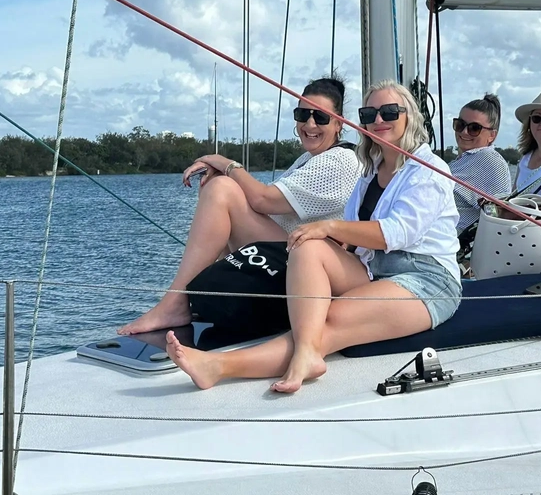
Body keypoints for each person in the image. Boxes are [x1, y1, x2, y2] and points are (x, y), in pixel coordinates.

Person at [164, 79, 463, 393]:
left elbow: (397, 232)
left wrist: (329, 228)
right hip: (374, 271)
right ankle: (305, 351)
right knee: (307, 244)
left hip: (425, 280)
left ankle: (220, 366)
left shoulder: (428, 170)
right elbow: (353, 236)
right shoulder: (370, 171)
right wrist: (322, 247)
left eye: (389, 112)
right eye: (369, 113)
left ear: (409, 117)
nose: (378, 120)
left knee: (329, 320)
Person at [118, 76, 362, 336]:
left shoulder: (341, 161)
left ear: (339, 124)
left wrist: (224, 164)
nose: (310, 124)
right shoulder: (309, 158)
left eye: (321, 117)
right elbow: (263, 206)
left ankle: (175, 302)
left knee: (223, 191)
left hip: (312, 267)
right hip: (290, 252)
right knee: (222, 189)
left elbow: (263, 199)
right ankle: (204, 294)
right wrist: (224, 178)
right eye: (303, 114)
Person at [449, 93, 513, 232]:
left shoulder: (490, 160)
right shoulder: (463, 160)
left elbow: (497, 215)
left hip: (455, 245)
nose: (464, 132)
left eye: (474, 128)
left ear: (492, 135)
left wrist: (488, 207)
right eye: (460, 125)